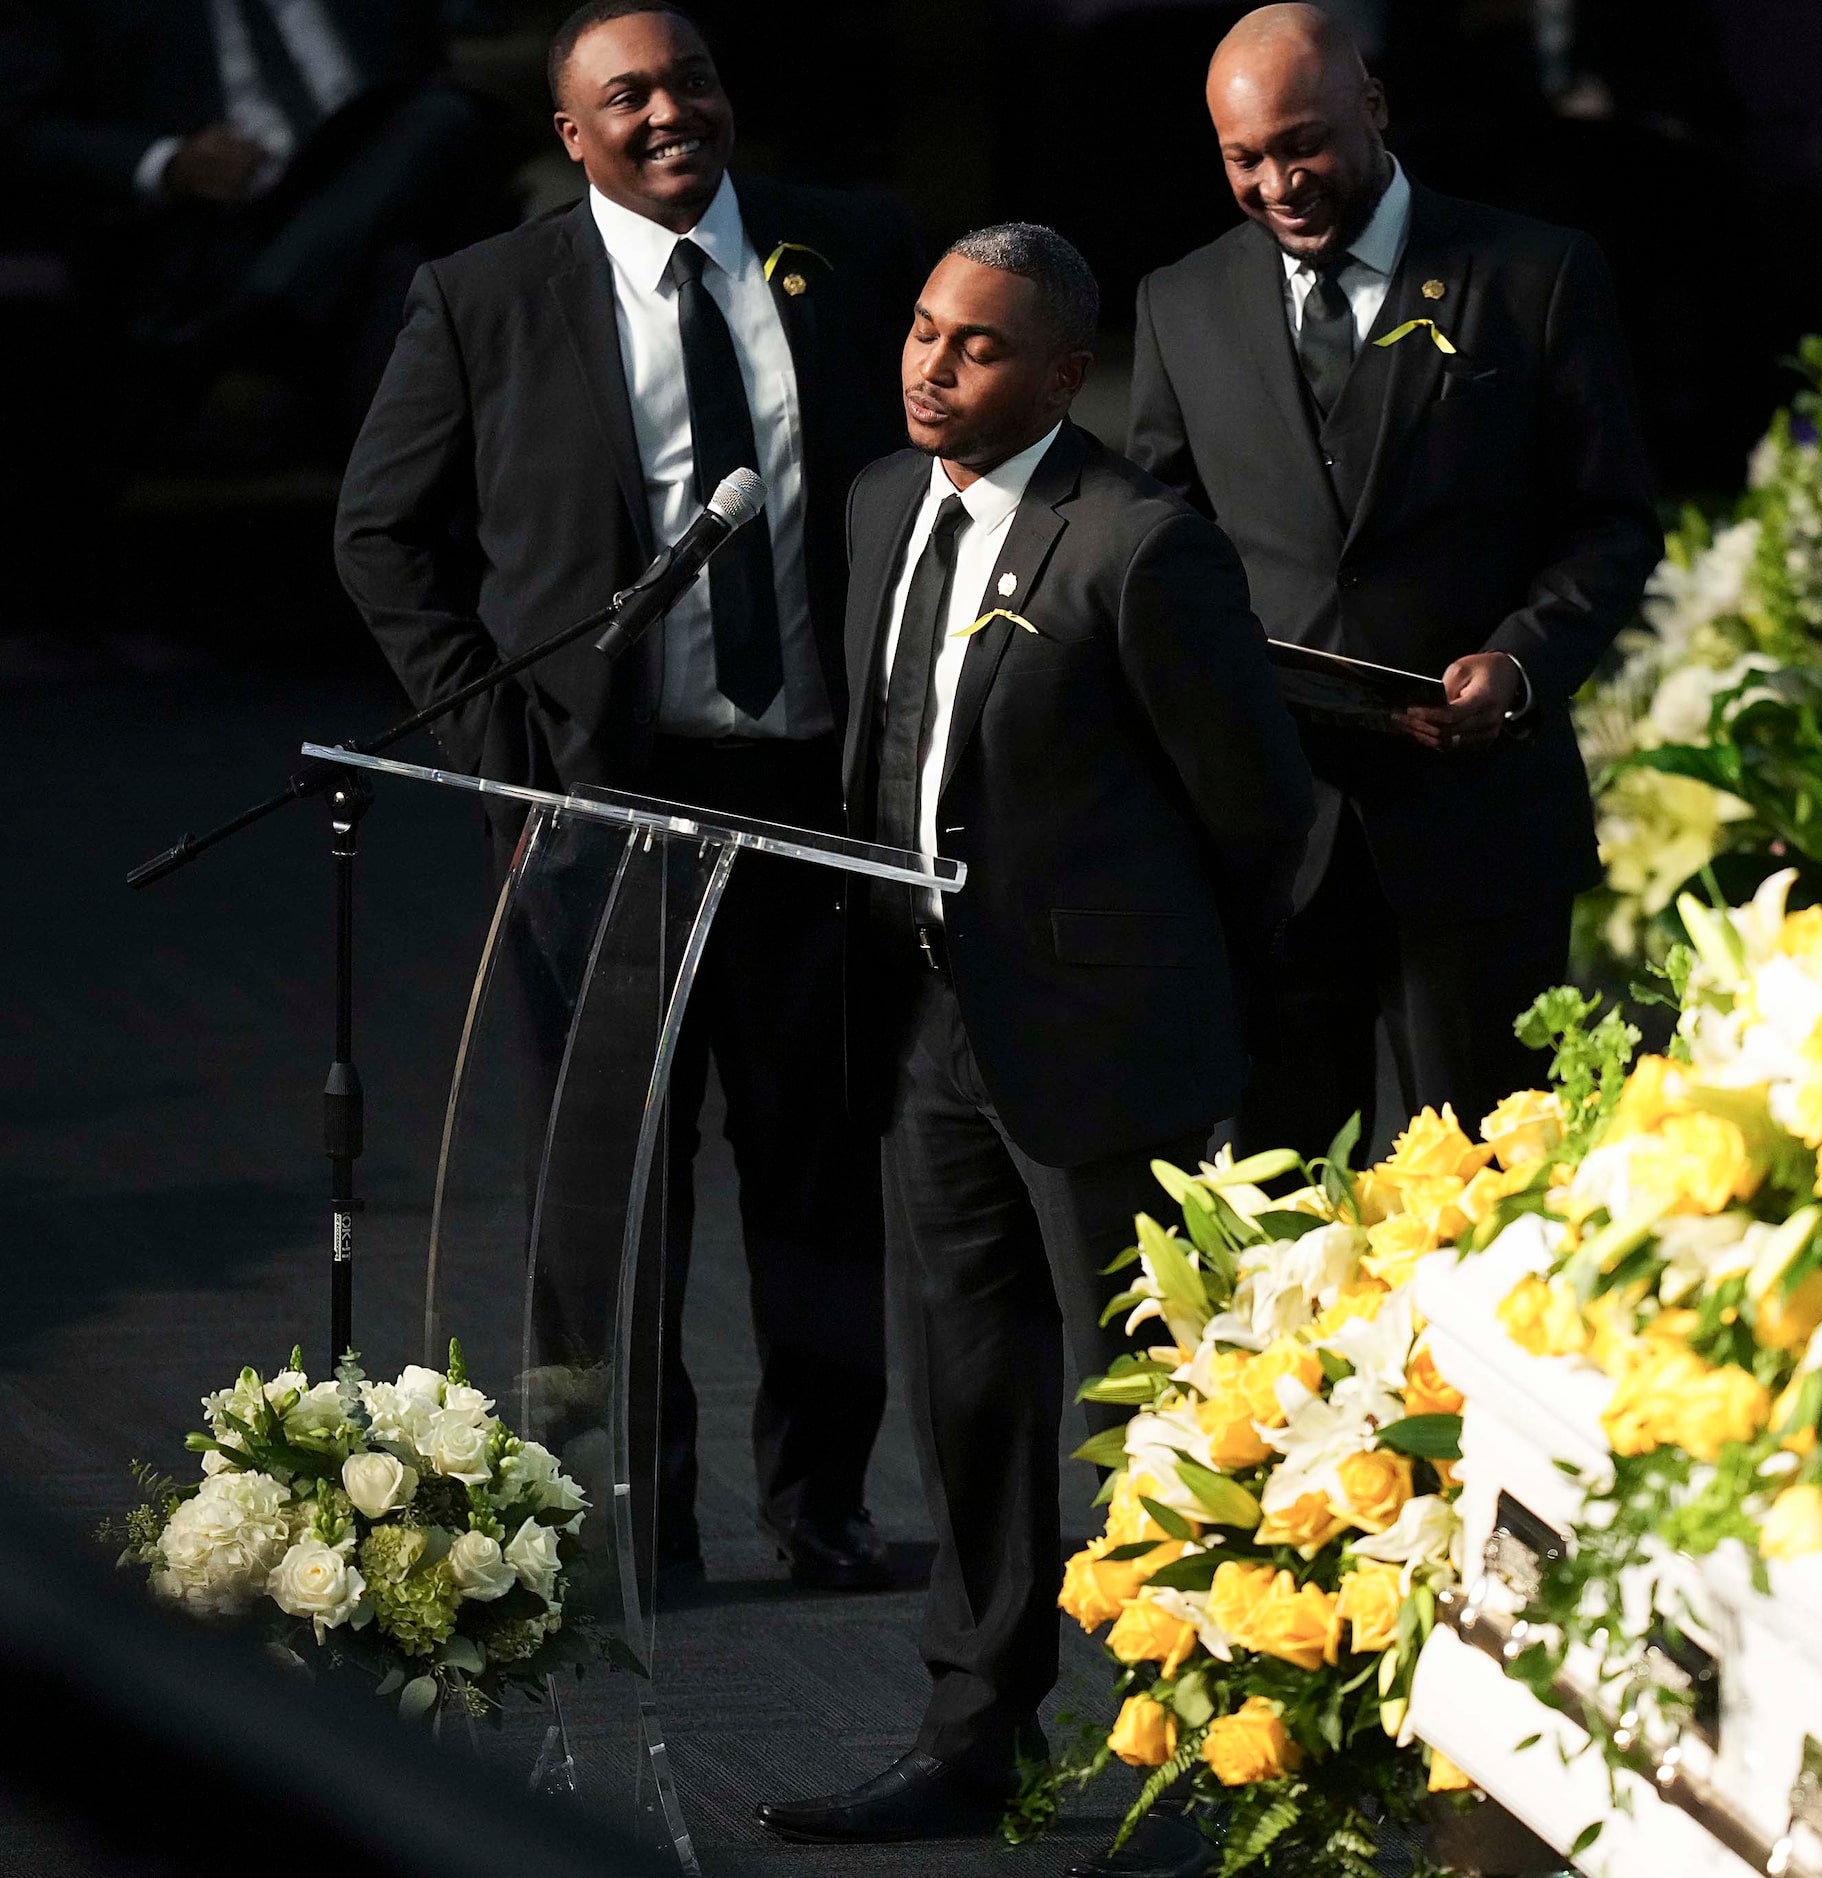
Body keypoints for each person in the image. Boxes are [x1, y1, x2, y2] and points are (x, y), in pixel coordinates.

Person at [333, 0, 924, 1593]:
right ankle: (614, 1526)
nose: (672, 113)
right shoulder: (484, 296)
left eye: (695, 80)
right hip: (599, 815)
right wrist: (504, 759)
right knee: (605, 1193)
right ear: (572, 135)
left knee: (815, 1176)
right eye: (629, 97)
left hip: (813, 801)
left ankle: (821, 1507)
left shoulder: (856, 251)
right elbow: (381, 534)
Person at [755, 224, 1310, 1848]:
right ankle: (968, 1725)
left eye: (978, 346)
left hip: (1105, 1040)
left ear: (1064, 374)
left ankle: (1225, 1743)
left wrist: (1160, 988)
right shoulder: (874, 503)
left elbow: (1257, 810)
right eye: (924, 331)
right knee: (970, 1386)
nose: (933, 365)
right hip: (935, 1020)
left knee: (1152, 1402)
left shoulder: (1138, 548)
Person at [1127, 2, 1659, 1161]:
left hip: (1478, 830)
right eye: (1244, 158)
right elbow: (1162, 545)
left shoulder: (1537, 276)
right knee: (1269, 1212)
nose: (1279, 182)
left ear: (1374, 108)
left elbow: (1614, 524)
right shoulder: (1180, 302)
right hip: (1273, 834)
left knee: (1487, 1186)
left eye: (1304, 143)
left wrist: (1522, 663)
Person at [0, 0, 511, 434]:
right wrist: (166, 162)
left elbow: (467, 35)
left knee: (442, 122)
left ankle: (257, 320)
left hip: (365, 198)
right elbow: (25, 130)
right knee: (400, 292)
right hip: (212, 228)